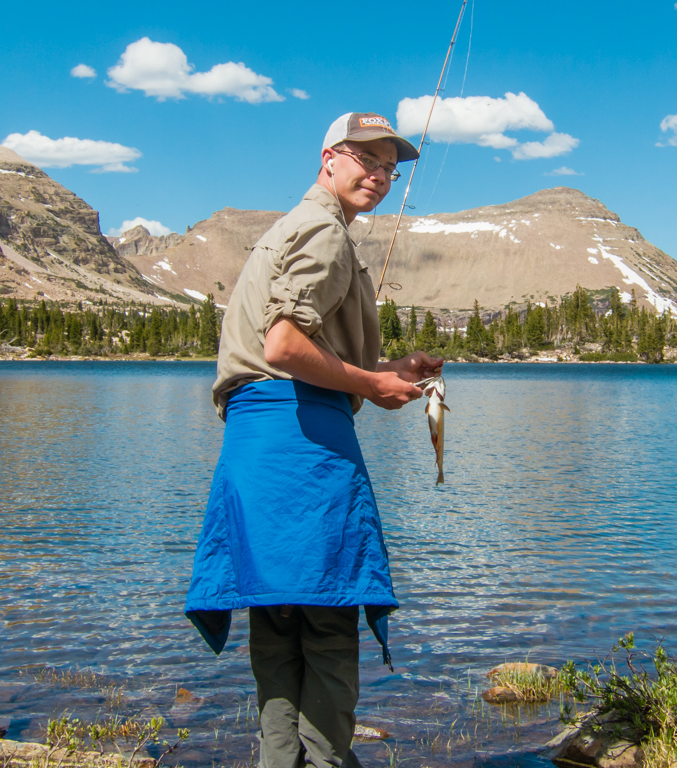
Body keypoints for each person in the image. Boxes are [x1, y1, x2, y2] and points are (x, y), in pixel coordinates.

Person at [183, 112, 443, 768]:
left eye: (390, 167)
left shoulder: (291, 229)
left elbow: (295, 356)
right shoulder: (324, 235)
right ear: (329, 157)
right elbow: (284, 346)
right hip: (302, 454)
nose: (380, 176)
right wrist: (372, 387)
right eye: (367, 160)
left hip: (258, 449)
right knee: (327, 628)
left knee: (276, 635)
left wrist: (387, 373)